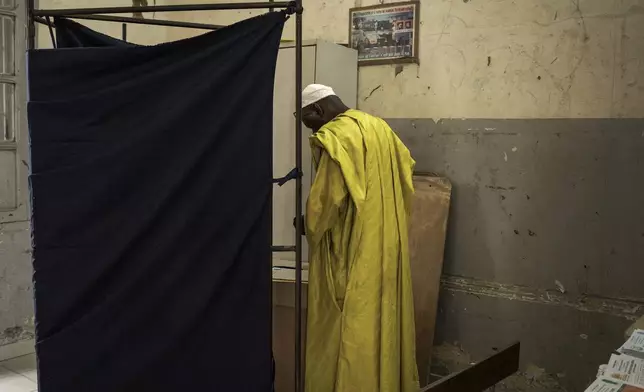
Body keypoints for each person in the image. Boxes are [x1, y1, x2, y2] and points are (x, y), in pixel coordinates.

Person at [299, 84, 419, 392]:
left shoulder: (339, 137)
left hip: (353, 253)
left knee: (349, 330)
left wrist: (305, 223)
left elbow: (325, 204)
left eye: (307, 121)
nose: (311, 129)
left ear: (318, 110)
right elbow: (407, 171)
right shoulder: (379, 128)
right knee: (382, 324)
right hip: (387, 247)